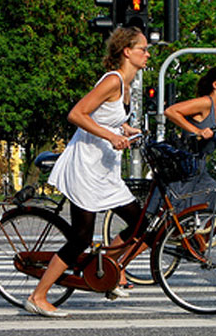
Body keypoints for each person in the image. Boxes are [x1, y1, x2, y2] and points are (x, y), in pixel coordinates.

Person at [25, 26, 148, 318]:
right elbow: (77, 114)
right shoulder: (113, 81)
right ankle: (37, 295)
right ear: (127, 52)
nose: (147, 53)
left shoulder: (127, 86)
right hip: (84, 168)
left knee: (140, 224)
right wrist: (110, 136)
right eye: (142, 48)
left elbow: (104, 117)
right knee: (80, 237)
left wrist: (125, 129)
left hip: (104, 171)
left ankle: (106, 267)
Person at [162, 65, 216, 211]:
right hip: (187, 169)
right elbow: (171, 111)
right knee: (182, 211)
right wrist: (198, 131)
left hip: (200, 168)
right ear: (215, 85)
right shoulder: (206, 103)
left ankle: (203, 233)